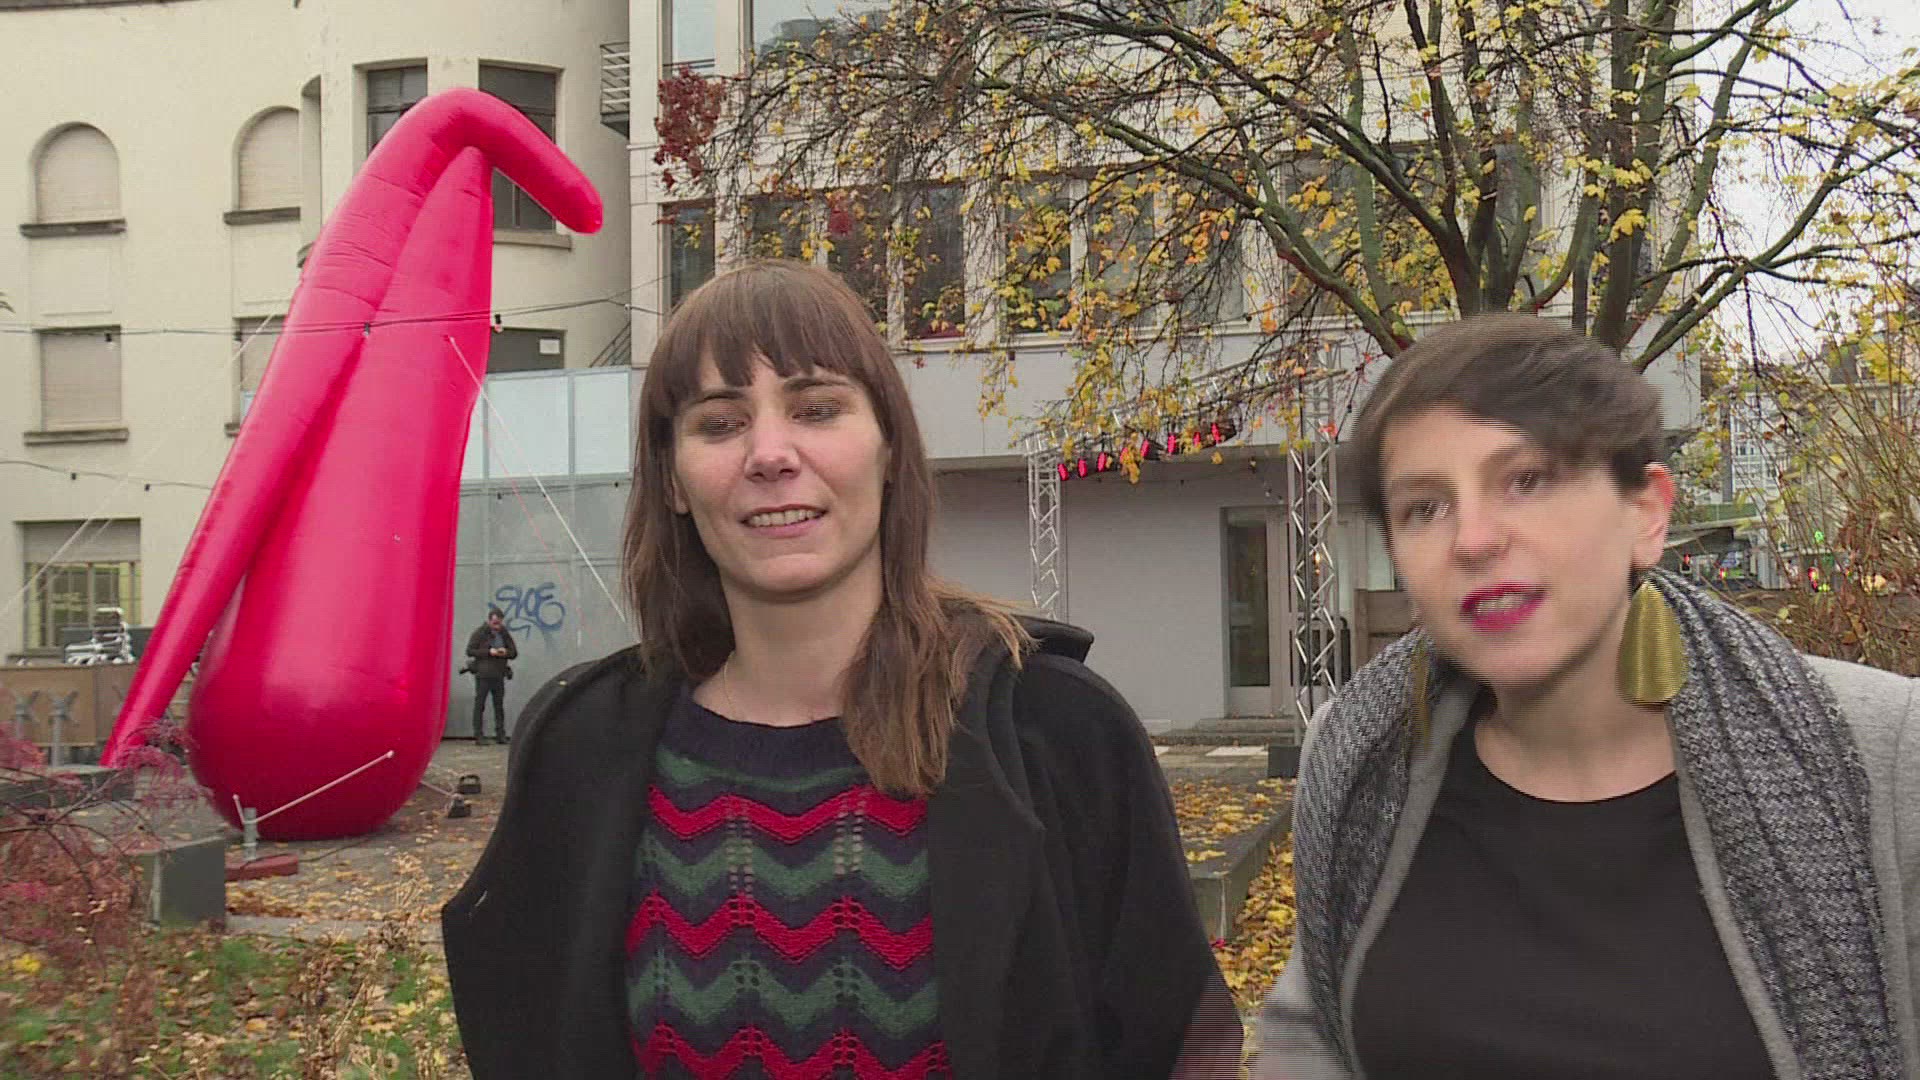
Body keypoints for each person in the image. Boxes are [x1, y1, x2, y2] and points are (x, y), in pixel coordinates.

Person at [441, 260, 1242, 1079]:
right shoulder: (580, 752)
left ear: (890, 448)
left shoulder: (1058, 733)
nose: (769, 454)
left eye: (816, 409)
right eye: (720, 423)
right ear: (673, 479)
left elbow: (1172, 1046)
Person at [1253, 315, 1920, 1080]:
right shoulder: (1355, 763)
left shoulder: (1885, 756)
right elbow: (1309, 1039)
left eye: (1528, 479)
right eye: (1425, 507)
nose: (1473, 539)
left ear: (1647, 512)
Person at [463, 608, 517, 745]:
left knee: (499, 706)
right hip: (483, 674)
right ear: (489, 621)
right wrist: (489, 652)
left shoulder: (504, 633)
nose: (497, 626)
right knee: (480, 705)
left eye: (499, 623)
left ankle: (500, 734)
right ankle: (479, 735)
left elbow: (514, 652)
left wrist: (505, 652)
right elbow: (470, 651)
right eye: (494, 623)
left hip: (499, 674)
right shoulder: (480, 633)